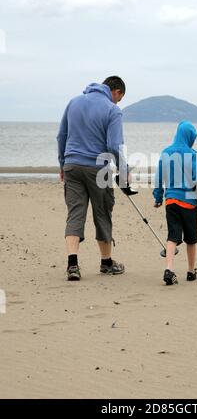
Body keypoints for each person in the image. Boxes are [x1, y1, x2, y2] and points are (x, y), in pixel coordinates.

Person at [57, 76, 129, 281]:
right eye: (119, 98)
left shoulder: (74, 102)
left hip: (72, 164)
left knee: (75, 213)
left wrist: (62, 163)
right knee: (102, 213)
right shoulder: (112, 109)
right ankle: (106, 263)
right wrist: (124, 170)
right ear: (116, 92)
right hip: (98, 169)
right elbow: (114, 146)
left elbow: (61, 136)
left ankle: (72, 264)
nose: (117, 103)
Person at [153, 121, 197, 285]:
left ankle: (169, 268)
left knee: (172, 236)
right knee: (191, 238)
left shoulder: (166, 152)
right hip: (188, 202)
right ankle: (190, 271)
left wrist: (158, 197)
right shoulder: (193, 154)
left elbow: (159, 177)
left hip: (171, 200)